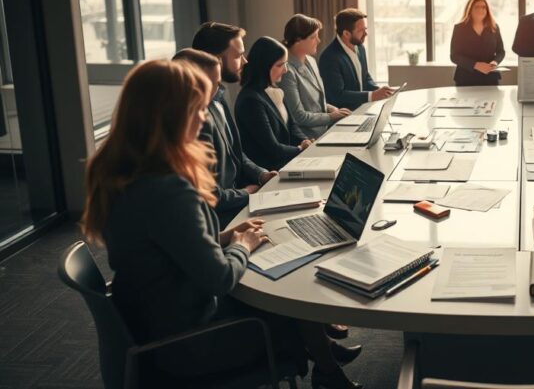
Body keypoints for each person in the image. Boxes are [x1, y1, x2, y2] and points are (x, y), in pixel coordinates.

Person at [79, 59, 362, 388]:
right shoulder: (167, 188)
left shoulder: (121, 172)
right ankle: (327, 371)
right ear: (171, 116)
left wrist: (227, 236)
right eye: (197, 109)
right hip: (191, 343)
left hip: (154, 320)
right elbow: (220, 279)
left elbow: (166, 245)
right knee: (290, 295)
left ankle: (327, 368)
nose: (202, 118)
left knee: (286, 281)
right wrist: (243, 246)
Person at [191, 23, 275, 224]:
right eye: (238, 56)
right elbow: (210, 194)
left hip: (240, 198)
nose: (245, 61)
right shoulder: (195, 117)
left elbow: (235, 153)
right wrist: (247, 193)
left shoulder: (220, 95)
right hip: (222, 216)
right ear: (216, 61)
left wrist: (261, 174)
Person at [235, 37, 313, 171]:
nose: (285, 70)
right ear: (263, 67)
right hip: (270, 172)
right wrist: (301, 149)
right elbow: (272, 148)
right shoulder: (250, 100)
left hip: (285, 164)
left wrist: (306, 142)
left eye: (286, 63)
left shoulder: (274, 91)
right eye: (280, 65)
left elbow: (292, 127)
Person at [279, 14, 352, 140]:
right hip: (306, 140)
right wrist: (332, 117)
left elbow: (316, 102)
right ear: (297, 40)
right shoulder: (287, 71)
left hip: (324, 133)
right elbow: (299, 116)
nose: (318, 40)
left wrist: (332, 109)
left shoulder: (311, 60)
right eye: (313, 37)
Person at [320, 8, 395, 110]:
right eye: (360, 31)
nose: (365, 34)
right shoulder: (329, 57)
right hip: (344, 116)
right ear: (346, 34)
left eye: (365, 29)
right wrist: (372, 95)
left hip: (363, 109)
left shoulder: (360, 47)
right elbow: (337, 95)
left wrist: (381, 91)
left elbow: (365, 76)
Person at [449, 0, 506, 86]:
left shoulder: (494, 28)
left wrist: (494, 62)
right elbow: (454, 56)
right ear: (470, 9)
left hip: (490, 77)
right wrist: (475, 65)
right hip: (466, 79)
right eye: (477, 7)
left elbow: (501, 52)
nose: (481, 10)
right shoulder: (459, 28)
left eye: (484, 7)